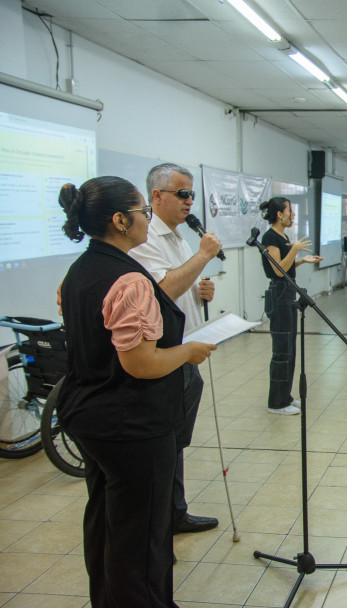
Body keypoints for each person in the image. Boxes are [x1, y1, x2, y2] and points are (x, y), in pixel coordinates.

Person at [57, 177, 216, 607]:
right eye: (143, 212)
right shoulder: (130, 280)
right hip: (130, 423)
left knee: (107, 519)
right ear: (120, 220)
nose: (148, 219)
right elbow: (141, 363)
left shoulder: (79, 271)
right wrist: (188, 352)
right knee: (142, 534)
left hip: (88, 414)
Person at [129, 163, 220, 535]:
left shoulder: (179, 237)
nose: (189, 202)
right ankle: (163, 519)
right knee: (165, 443)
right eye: (182, 194)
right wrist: (203, 256)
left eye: (192, 195)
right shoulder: (146, 238)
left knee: (176, 442)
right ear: (156, 195)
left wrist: (201, 292)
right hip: (165, 355)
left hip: (186, 351)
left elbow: (181, 287)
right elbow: (161, 290)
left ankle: (174, 512)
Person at [259, 197, 323, 414]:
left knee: (290, 349)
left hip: (287, 292)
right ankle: (276, 403)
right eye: (290, 211)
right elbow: (278, 271)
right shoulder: (269, 237)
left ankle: (285, 396)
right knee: (281, 351)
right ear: (280, 214)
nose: (293, 215)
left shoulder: (282, 236)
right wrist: (295, 249)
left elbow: (286, 266)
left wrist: (302, 260)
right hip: (279, 294)